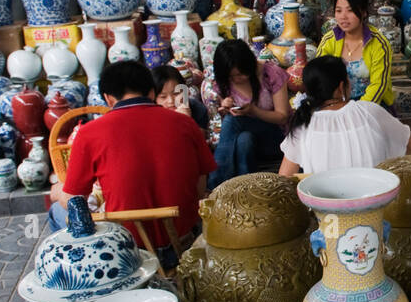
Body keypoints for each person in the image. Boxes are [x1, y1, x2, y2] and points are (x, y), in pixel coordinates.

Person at [54, 60, 216, 269]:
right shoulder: (186, 123)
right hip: (183, 242)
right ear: (151, 92)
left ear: (108, 99)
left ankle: (77, 274)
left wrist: (58, 192)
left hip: (127, 251)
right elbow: (200, 185)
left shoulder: (88, 133)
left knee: (58, 210)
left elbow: (75, 201)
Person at [278, 56, 411, 176]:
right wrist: (396, 180)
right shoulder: (369, 111)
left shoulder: (303, 126)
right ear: (341, 86)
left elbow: (284, 178)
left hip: (324, 206)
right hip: (378, 202)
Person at [208, 38, 290, 186]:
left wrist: (254, 111)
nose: (236, 79)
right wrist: (225, 107)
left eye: (240, 74)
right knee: (244, 140)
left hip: (277, 138)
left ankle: (215, 184)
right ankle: (246, 188)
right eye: (231, 76)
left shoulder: (270, 74)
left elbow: (283, 117)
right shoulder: (224, 82)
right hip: (251, 142)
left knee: (233, 122)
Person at [316, 0, 394, 107]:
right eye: (338, 11)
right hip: (338, 104)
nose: (343, 17)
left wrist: (356, 111)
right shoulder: (329, 40)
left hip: (372, 105)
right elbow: (319, 75)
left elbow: (378, 85)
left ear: (364, 12)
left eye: (350, 11)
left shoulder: (379, 43)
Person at [152, 64, 209, 132]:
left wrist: (187, 120)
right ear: (153, 97)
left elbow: (200, 140)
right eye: (163, 97)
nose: (171, 101)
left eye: (176, 93)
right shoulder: (150, 117)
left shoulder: (198, 109)